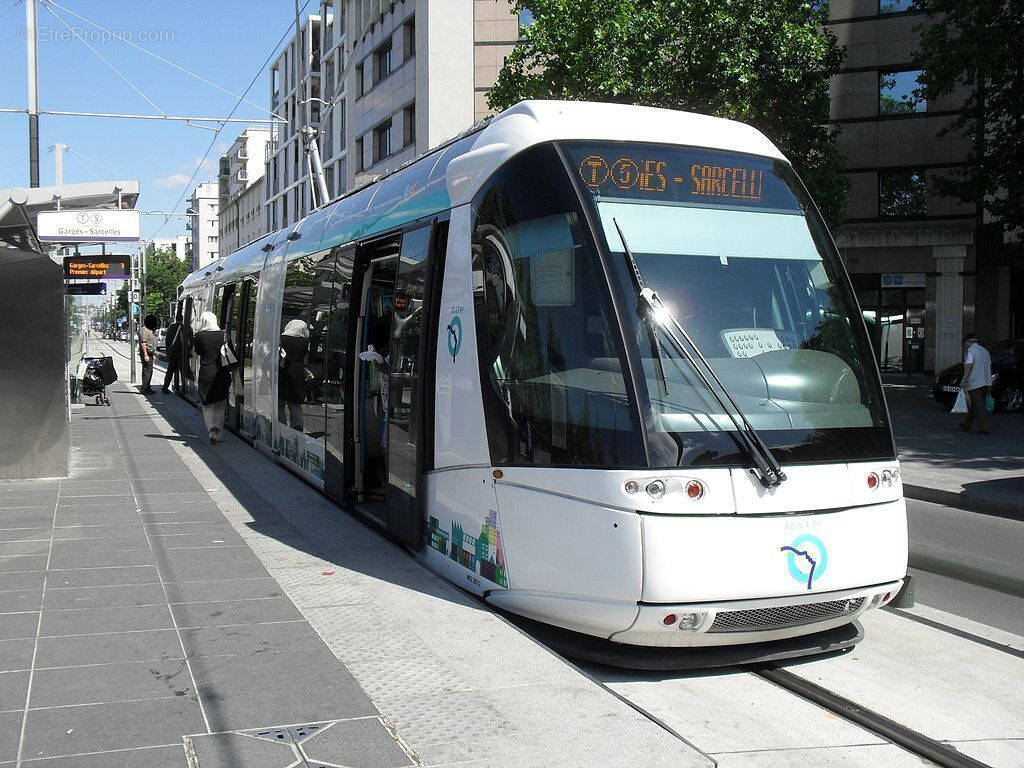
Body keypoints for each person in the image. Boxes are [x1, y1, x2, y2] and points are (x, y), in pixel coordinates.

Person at [193, 311, 232, 444]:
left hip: (206, 373)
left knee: (207, 404)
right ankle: (218, 433)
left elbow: (198, 352)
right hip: (222, 373)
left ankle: (211, 429)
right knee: (220, 403)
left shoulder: (199, 336)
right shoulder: (224, 335)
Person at [278, 319, 310, 431]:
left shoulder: (282, 339)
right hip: (297, 374)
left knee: (279, 403)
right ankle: (297, 429)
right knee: (295, 404)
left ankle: (281, 427)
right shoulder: (305, 342)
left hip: (282, 372)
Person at [959, 333, 993, 434]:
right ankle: (967, 424)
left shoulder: (971, 351)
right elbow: (989, 367)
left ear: (969, 341)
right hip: (985, 382)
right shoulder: (985, 351)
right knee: (976, 405)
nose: (965, 344)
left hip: (975, 382)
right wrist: (990, 382)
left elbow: (968, 367)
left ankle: (984, 428)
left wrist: (964, 380)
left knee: (978, 406)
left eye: (965, 342)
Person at [161, 311, 184, 394]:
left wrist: (168, 352)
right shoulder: (185, 328)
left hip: (173, 353)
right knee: (182, 371)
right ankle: (181, 387)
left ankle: (165, 387)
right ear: (182, 319)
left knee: (170, 371)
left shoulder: (171, 327)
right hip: (182, 353)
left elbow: (167, 341)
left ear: (175, 319)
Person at [139, 314, 159, 394]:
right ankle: (145, 389)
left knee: (149, 371)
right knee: (147, 371)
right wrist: (145, 355)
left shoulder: (149, 329)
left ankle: (147, 387)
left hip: (149, 353)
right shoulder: (144, 330)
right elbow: (143, 343)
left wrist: (153, 354)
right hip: (146, 353)